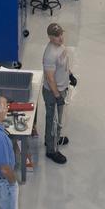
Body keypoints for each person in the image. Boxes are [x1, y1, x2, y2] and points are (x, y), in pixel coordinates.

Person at [42, 21, 70, 164]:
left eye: (61, 34)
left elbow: (64, 63)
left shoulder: (60, 46)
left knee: (57, 120)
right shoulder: (50, 54)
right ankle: (51, 150)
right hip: (53, 93)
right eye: (57, 36)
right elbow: (50, 78)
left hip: (62, 88)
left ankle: (52, 140)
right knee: (53, 121)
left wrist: (70, 75)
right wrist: (57, 96)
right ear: (50, 38)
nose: (60, 38)